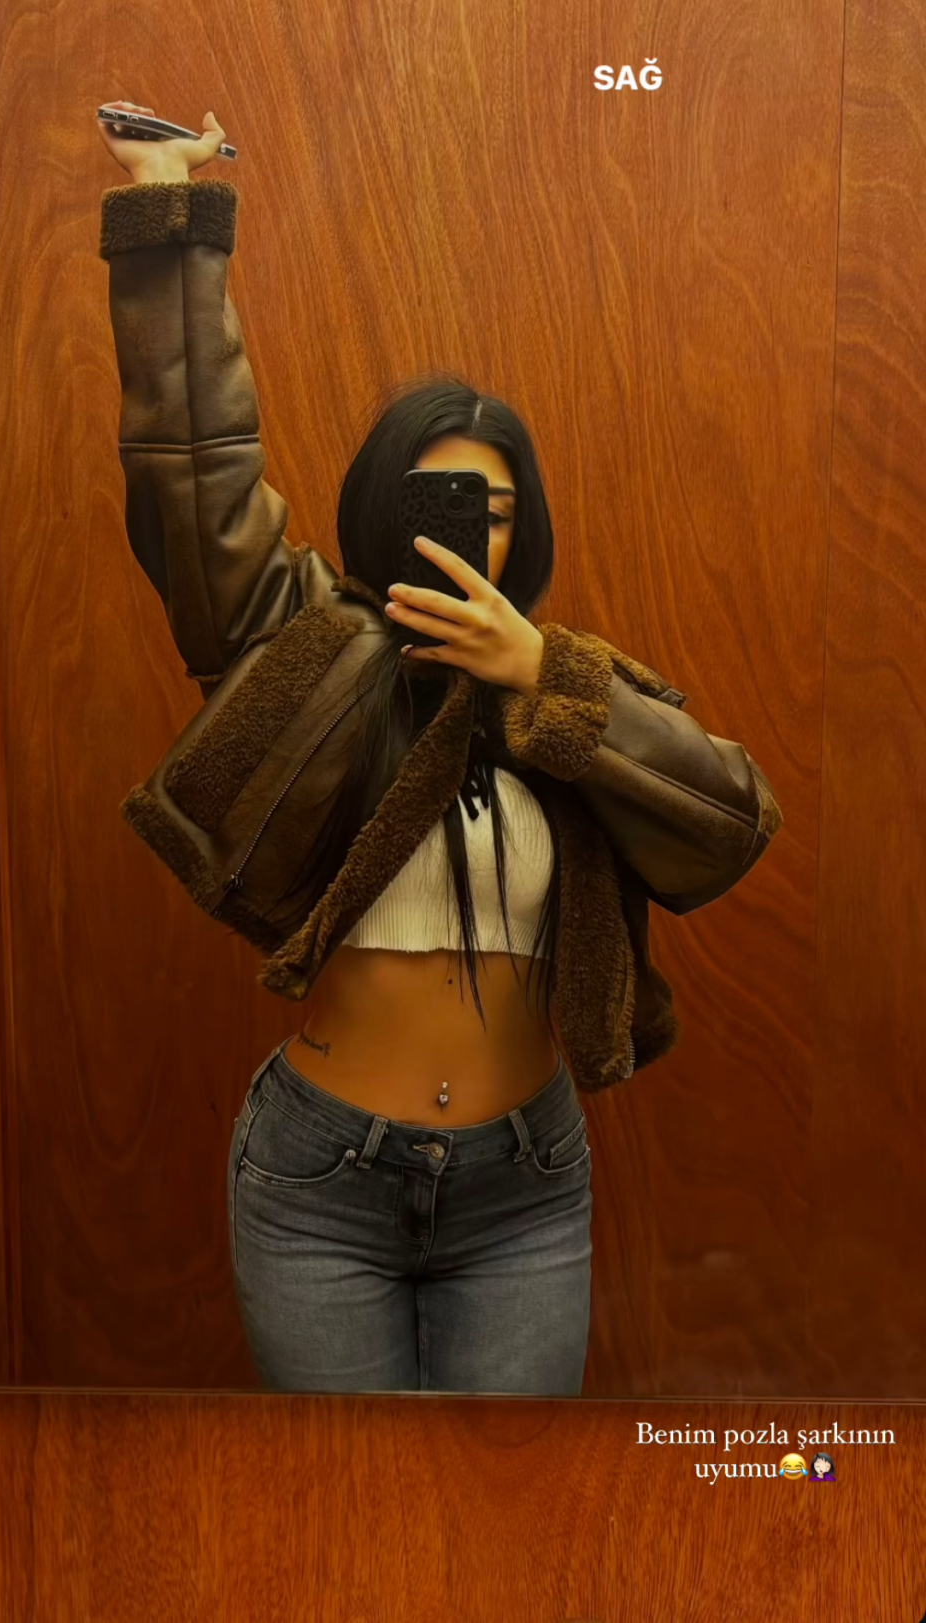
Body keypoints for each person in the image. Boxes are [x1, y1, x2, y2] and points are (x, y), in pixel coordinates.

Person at [97, 103, 784, 1396]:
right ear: (381, 506)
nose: (468, 531)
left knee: (507, 1506)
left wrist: (539, 675)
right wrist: (170, 217)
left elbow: (732, 823)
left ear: (527, 531)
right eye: (435, 499)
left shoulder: (573, 691)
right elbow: (196, 470)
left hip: (525, 1188)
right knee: (348, 1512)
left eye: (495, 509)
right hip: (319, 1180)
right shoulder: (300, 646)